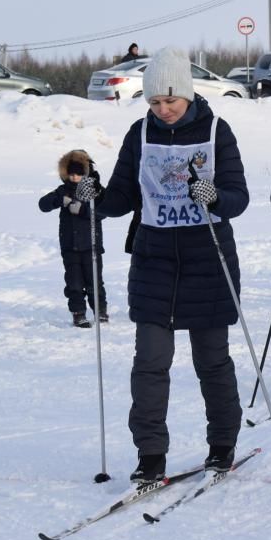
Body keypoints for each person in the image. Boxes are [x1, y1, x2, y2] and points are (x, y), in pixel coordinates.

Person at [75, 46, 249, 482]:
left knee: (212, 362)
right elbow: (122, 196)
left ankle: (222, 445)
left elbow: (238, 197)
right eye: (155, 101)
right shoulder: (140, 134)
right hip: (155, 263)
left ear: (188, 95)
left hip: (208, 260)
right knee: (150, 363)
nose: (163, 109)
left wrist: (215, 198)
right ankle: (150, 454)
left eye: (170, 100)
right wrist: (96, 196)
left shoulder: (216, 131)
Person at [38, 149, 108, 328]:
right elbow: (43, 205)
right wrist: (59, 201)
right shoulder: (64, 190)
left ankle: (100, 312)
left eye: (78, 173)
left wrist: (83, 210)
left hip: (91, 245)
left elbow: (106, 210)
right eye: (71, 173)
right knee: (74, 282)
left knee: (94, 281)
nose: (75, 177)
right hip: (70, 246)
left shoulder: (96, 190)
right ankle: (78, 313)